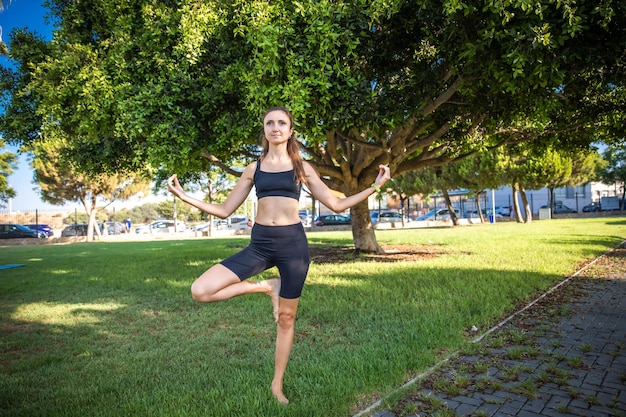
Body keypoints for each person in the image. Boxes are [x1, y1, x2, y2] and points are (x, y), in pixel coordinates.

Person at [167, 106, 390, 404]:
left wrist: (374, 186)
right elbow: (224, 210)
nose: (275, 127)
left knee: (286, 318)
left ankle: (276, 385)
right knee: (200, 290)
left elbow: (336, 205)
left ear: (290, 130)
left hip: (292, 247)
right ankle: (265, 286)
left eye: (281, 123)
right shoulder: (254, 168)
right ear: (264, 129)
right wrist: (185, 197)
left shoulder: (302, 167)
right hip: (259, 245)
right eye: (270, 123)